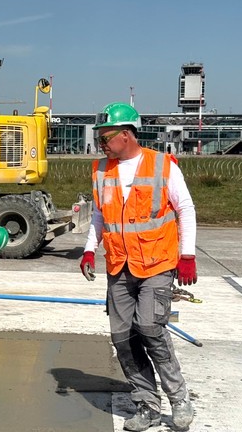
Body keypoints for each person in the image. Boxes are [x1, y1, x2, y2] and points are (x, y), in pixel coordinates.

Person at [80, 102, 196, 431]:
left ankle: (178, 397)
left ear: (128, 135)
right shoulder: (101, 170)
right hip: (119, 263)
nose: (101, 141)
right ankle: (146, 404)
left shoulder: (163, 166)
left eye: (107, 136)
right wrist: (90, 249)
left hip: (157, 262)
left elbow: (185, 208)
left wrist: (187, 255)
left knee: (150, 328)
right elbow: (100, 214)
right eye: (100, 136)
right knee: (122, 338)